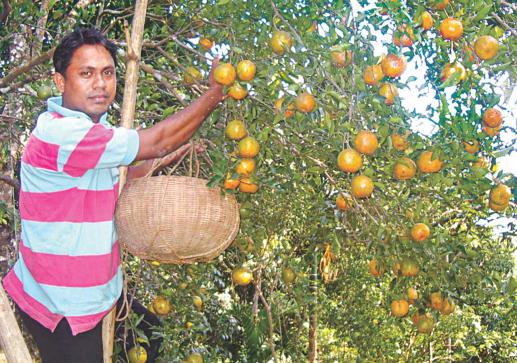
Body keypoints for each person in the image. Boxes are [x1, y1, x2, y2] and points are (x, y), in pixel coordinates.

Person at [1, 27, 223, 362]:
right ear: (60, 82)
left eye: (107, 73)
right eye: (86, 74)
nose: (100, 84)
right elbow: (158, 140)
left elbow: (125, 174)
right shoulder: (62, 134)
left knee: (149, 336)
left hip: (97, 292)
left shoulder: (91, 132)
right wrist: (213, 96)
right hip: (63, 307)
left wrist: (175, 153)